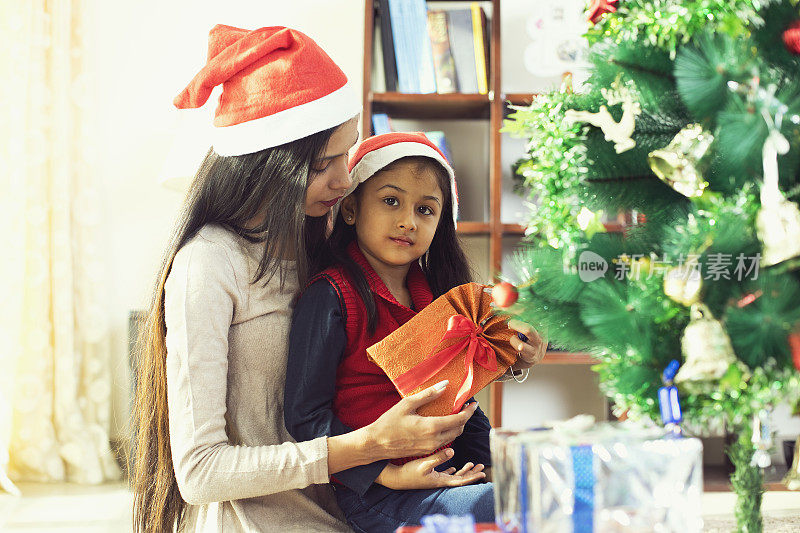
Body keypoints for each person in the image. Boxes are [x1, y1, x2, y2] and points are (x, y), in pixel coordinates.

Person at [130, 26, 483, 533]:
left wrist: (503, 355)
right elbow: (199, 473)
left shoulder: (326, 251)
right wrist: (368, 448)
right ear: (269, 165)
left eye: (347, 155)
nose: (345, 181)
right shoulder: (209, 264)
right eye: (323, 165)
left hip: (365, 510)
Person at [284, 132, 547, 532]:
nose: (408, 221)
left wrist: (494, 462)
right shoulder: (331, 296)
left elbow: (461, 404)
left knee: (544, 485)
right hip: (378, 495)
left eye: (426, 210)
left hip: (449, 474)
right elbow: (305, 417)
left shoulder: (442, 303)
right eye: (391, 201)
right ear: (351, 209)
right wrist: (387, 473)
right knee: (502, 505)